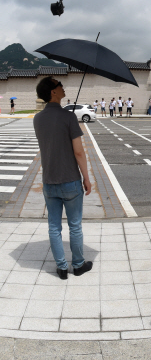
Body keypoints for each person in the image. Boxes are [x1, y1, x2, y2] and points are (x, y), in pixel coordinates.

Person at [33, 77, 93, 280]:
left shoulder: (37, 119)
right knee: (75, 225)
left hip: (49, 181)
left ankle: (61, 268)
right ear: (53, 92)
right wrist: (86, 177)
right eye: (59, 85)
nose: (63, 87)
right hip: (70, 181)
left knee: (54, 226)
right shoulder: (68, 117)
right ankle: (77, 265)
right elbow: (78, 152)